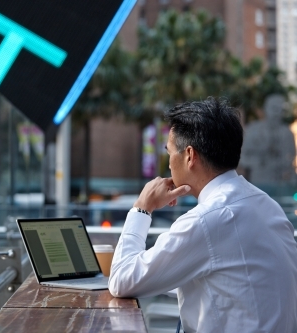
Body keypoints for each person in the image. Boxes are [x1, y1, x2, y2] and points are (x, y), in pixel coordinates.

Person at [108, 97, 297, 332]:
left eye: (169, 153)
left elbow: (121, 281)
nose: (169, 165)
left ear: (189, 155)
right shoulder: (265, 205)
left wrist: (142, 208)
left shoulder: (208, 220)